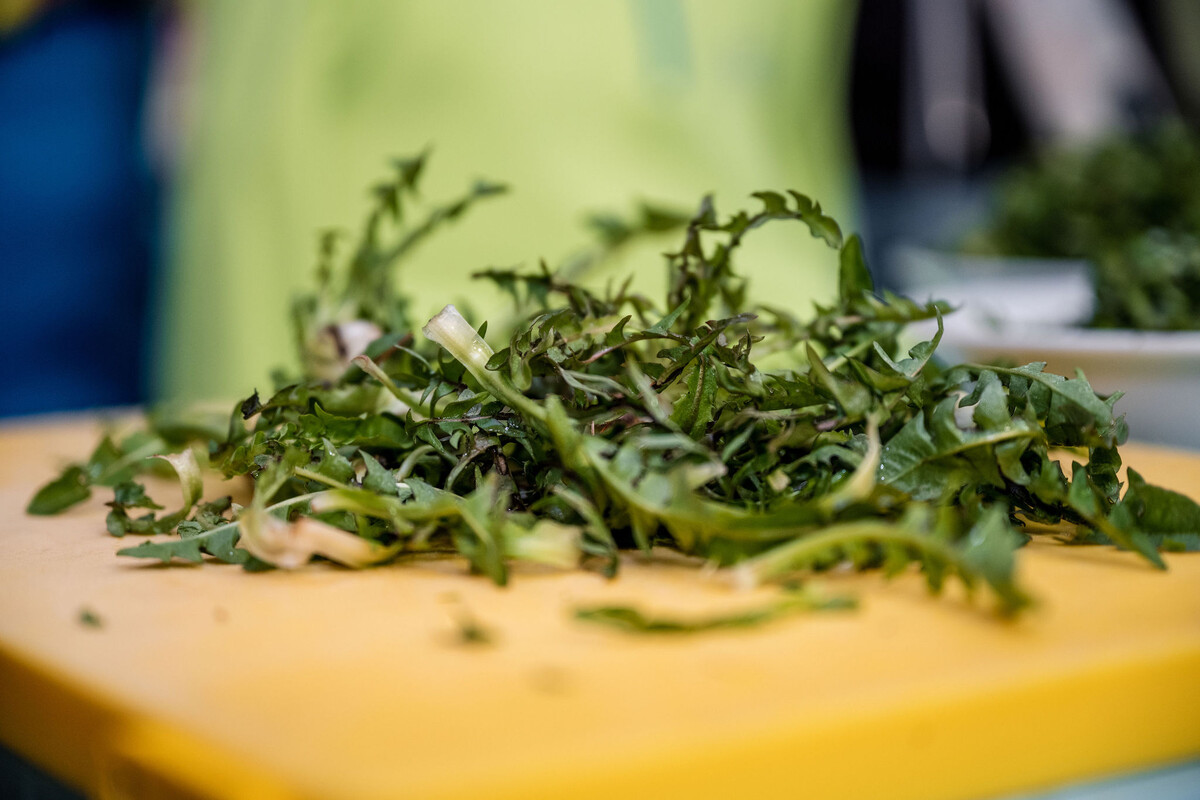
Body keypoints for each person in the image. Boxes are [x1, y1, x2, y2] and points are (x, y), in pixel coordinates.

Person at [157, 0, 858, 402]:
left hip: (771, 415)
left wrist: (848, 362)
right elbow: (260, 155)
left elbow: (799, 135)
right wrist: (263, 430)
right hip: (428, 431)